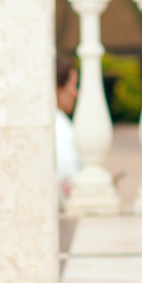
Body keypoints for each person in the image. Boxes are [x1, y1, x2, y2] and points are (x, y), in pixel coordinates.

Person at [55, 57, 83, 198]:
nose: (76, 93)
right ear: (58, 90)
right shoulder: (60, 127)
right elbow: (67, 181)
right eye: (73, 85)